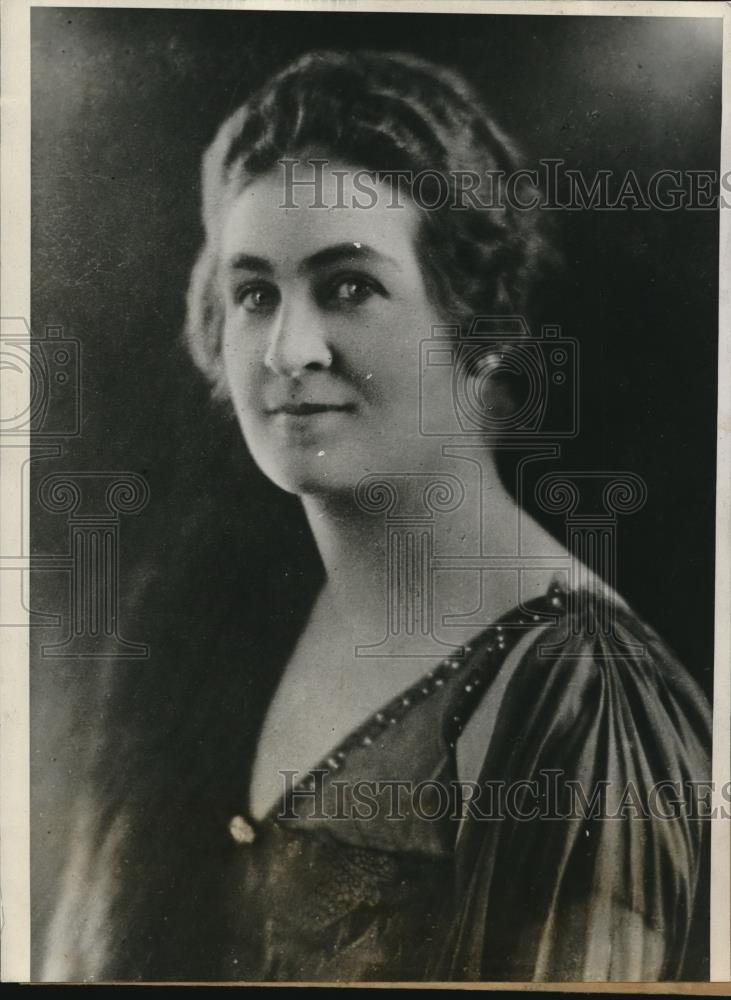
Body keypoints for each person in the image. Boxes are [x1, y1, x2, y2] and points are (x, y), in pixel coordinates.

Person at [40, 49, 711, 983]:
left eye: (348, 286)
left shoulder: (580, 698)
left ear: (474, 327)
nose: (289, 349)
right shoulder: (210, 627)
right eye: (254, 294)